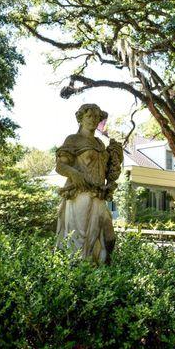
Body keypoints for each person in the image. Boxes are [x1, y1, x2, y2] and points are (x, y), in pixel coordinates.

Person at [55, 103, 123, 264]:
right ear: (81, 118)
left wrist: (116, 158)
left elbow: (108, 172)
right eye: (89, 116)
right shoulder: (73, 140)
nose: (93, 120)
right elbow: (60, 165)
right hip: (80, 195)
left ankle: (102, 272)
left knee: (109, 237)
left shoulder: (100, 144)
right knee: (79, 240)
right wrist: (74, 173)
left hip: (99, 196)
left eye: (96, 117)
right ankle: (77, 276)